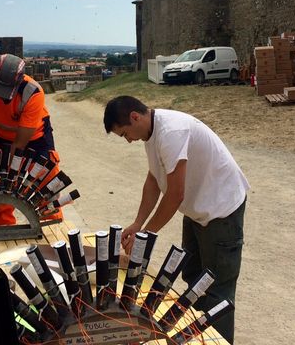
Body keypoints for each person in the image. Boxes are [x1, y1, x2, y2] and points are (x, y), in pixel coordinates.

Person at [103, 95, 249, 344]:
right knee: (194, 279)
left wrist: (145, 235)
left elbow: (175, 194)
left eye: (124, 133)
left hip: (221, 209)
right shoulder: (151, 133)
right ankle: (201, 337)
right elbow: (153, 181)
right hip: (197, 209)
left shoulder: (171, 132)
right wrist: (138, 223)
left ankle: (219, 340)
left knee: (217, 290)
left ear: (134, 117)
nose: (128, 140)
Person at [0, 54, 62, 226]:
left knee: (45, 185)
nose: (2, 98)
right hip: (2, 137)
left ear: (19, 82)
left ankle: (51, 231)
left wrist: (8, 175)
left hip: (36, 138)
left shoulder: (33, 92)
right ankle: (1, 230)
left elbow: (19, 145)